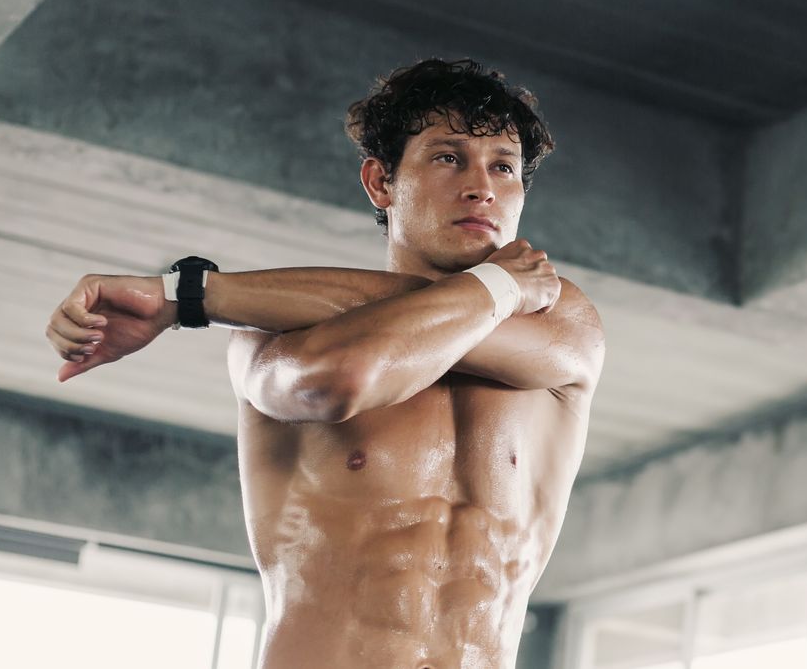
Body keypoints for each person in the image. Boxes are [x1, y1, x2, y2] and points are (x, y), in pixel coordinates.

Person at [45, 58, 605, 668]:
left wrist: (192, 296)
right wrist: (498, 285)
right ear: (380, 183)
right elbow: (345, 379)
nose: (483, 187)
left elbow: (419, 325)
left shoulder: (560, 317)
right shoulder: (265, 336)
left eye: (504, 166)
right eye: (448, 157)